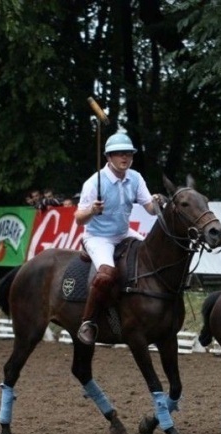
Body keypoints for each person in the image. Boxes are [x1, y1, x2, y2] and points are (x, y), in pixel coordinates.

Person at [74, 131, 159, 345]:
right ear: (108, 157)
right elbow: (78, 219)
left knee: (151, 256)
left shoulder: (135, 177)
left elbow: (150, 208)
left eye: (128, 154)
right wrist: (92, 210)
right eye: (119, 154)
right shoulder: (94, 183)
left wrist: (157, 202)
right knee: (106, 274)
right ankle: (88, 322)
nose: (125, 158)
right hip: (98, 237)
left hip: (123, 232)